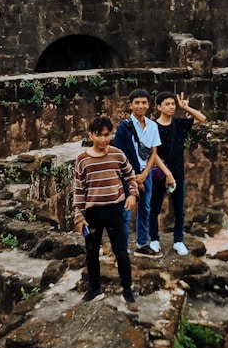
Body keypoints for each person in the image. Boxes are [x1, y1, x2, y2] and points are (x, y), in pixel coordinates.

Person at [72, 115, 139, 310]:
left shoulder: (117, 155)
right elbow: (79, 190)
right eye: (99, 135)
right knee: (91, 252)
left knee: (121, 251)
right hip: (93, 212)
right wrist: (78, 215)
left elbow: (130, 176)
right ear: (91, 135)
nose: (103, 139)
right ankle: (94, 289)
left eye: (107, 135)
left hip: (115, 210)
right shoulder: (82, 160)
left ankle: (127, 290)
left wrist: (132, 195)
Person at [114, 88, 174, 256]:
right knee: (125, 211)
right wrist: (133, 178)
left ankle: (142, 244)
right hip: (128, 175)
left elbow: (153, 152)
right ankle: (123, 248)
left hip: (144, 174)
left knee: (145, 209)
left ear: (148, 105)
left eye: (143, 102)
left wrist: (145, 174)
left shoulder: (153, 126)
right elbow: (120, 154)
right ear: (131, 105)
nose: (140, 106)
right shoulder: (124, 127)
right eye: (137, 102)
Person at [149, 91, 207, 255]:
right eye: (167, 104)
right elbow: (152, 154)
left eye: (173, 104)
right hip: (159, 172)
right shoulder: (153, 126)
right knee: (154, 208)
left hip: (178, 172)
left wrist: (186, 108)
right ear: (159, 107)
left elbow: (201, 119)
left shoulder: (180, 123)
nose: (171, 107)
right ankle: (154, 239)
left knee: (179, 209)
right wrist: (167, 173)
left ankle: (178, 241)